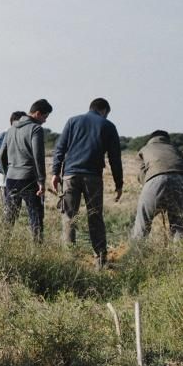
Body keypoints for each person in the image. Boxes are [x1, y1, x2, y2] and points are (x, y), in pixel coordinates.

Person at [51, 98, 123, 268]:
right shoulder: (108, 126)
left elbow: (59, 149)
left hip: (70, 176)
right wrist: (118, 183)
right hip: (93, 177)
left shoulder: (72, 121)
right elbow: (115, 158)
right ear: (104, 110)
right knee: (95, 216)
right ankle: (100, 261)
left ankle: (70, 261)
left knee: (69, 217)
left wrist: (55, 173)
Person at [0, 100, 52, 243]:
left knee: (9, 217)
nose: (45, 121)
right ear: (37, 114)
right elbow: (38, 157)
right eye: (45, 117)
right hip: (29, 178)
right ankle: (37, 251)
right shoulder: (36, 129)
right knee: (35, 216)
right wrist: (41, 181)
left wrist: (7, 172)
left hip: (11, 178)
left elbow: (1, 154)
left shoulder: (10, 129)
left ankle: (3, 247)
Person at [130, 131, 183, 241]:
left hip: (155, 180)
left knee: (142, 223)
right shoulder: (174, 149)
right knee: (178, 227)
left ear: (151, 139)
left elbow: (142, 175)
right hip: (181, 181)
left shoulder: (145, 149)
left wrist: (153, 197)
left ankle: (137, 254)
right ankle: (180, 255)